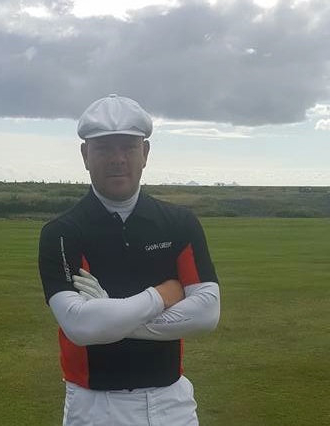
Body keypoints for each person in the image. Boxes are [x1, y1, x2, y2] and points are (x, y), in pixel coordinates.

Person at [38, 94, 221, 426]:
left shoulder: (179, 223)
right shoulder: (62, 232)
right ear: (85, 155)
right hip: (95, 407)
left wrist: (109, 317)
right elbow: (80, 326)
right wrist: (161, 296)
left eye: (128, 147)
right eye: (104, 148)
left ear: (145, 153)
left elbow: (206, 313)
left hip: (172, 403)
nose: (117, 158)